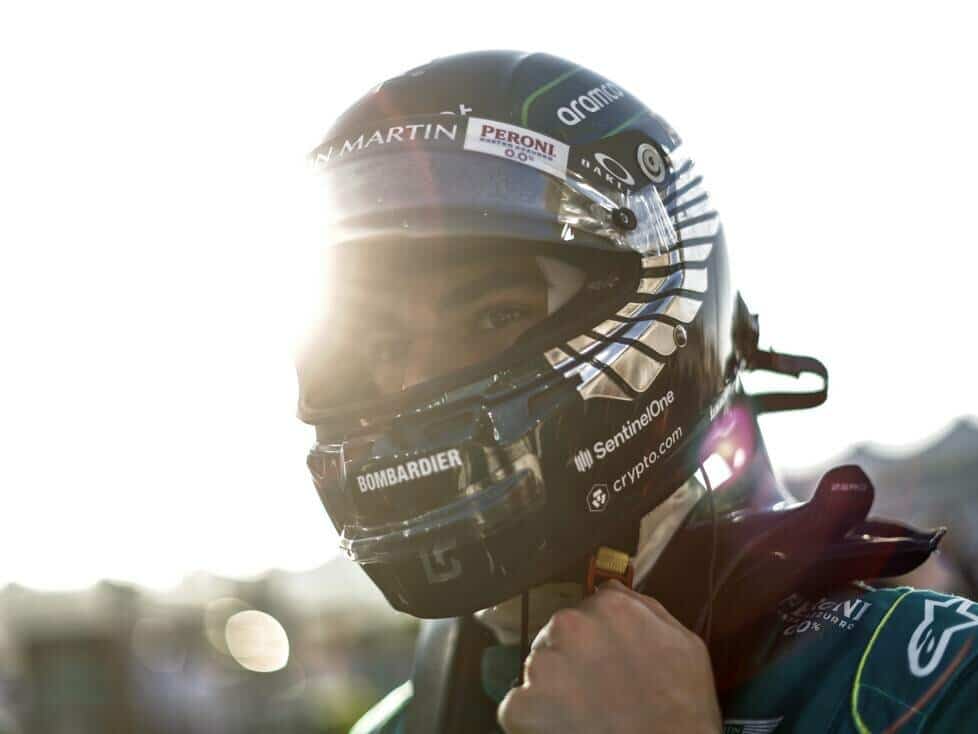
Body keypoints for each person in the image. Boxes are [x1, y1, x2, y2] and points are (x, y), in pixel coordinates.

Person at [295, 51, 978, 733]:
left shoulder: (933, 680)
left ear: (660, 308)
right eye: (384, 348)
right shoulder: (396, 724)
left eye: (495, 316)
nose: (416, 384)